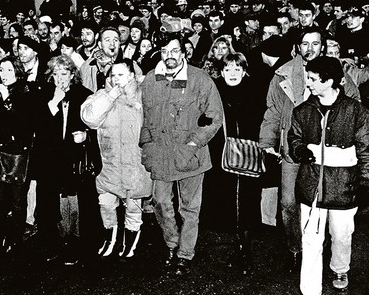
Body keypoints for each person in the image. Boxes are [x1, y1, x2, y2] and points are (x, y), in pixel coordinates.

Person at [259, 26, 361, 273]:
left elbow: (355, 110)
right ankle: (296, 249)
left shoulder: (339, 75)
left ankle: (326, 252)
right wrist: (267, 142)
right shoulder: (282, 75)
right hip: (292, 148)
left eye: (315, 43)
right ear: (297, 47)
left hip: (328, 151)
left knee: (328, 202)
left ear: (323, 46)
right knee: (289, 202)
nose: (310, 48)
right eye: (305, 44)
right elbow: (273, 111)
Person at [288, 56, 369, 295]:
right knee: (311, 240)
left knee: (341, 234)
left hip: (344, 187)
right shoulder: (303, 112)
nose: (309, 84)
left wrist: (368, 183)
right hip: (312, 188)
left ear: (329, 81)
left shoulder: (356, 112)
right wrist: (299, 150)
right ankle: (310, 293)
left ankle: (340, 268)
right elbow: (293, 138)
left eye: (314, 80)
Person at [139, 33, 223, 275]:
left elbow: (214, 118)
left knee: (189, 208)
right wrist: (146, 146)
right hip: (161, 153)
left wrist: (194, 144)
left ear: (184, 52)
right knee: (161, 201)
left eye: (175, 51)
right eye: (165, 52)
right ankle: (171, 243)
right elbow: (145, 116)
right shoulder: (150, 79)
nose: (169, 57)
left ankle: (185, 253)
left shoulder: (199, 79)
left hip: (191, 155)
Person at [30, 54, 100, 266]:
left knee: (75, 202)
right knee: (50, 203)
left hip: (74, 159)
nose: (60, 78)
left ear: (73, 75)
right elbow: (35, 126)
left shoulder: (85, 95)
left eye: (64, 73)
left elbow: (95, 125)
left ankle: (76, 242)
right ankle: (55, 242)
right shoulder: (44, 95)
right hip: (49, 160)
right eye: (56, 74)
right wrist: (53, 103)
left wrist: (86, 136)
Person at [203, 53, 266, 275]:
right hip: (222, 156)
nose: (232, 74)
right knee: (228, 201)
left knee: (247, 202)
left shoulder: (255, 92)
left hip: (248, 155)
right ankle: (237, 247)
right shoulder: (214, 92)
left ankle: (245, 249)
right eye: (228, 69)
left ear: (244, 71)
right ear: (221, 72)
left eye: (237, 69)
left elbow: (262, 122)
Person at [81, 58, 150, 259]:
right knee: (107, 205)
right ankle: (109, 239)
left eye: (121, 75)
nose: (116, 79)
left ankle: (130, 244)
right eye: (113, 74)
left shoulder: (142, 96)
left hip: (135, 165)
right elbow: (90, 118)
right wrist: (110, 96)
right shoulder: (102, 95)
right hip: (108, 166)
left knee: (133, 207)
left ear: (131, 76)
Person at [0, 56, 37, 254]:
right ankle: (0, 235)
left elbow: (24, 124)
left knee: (16, 200)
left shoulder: (26, 91)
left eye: (9, 70)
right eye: (2, 70)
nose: (4, 75)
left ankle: (15, 239)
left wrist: (7, 101)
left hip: (18, 154)